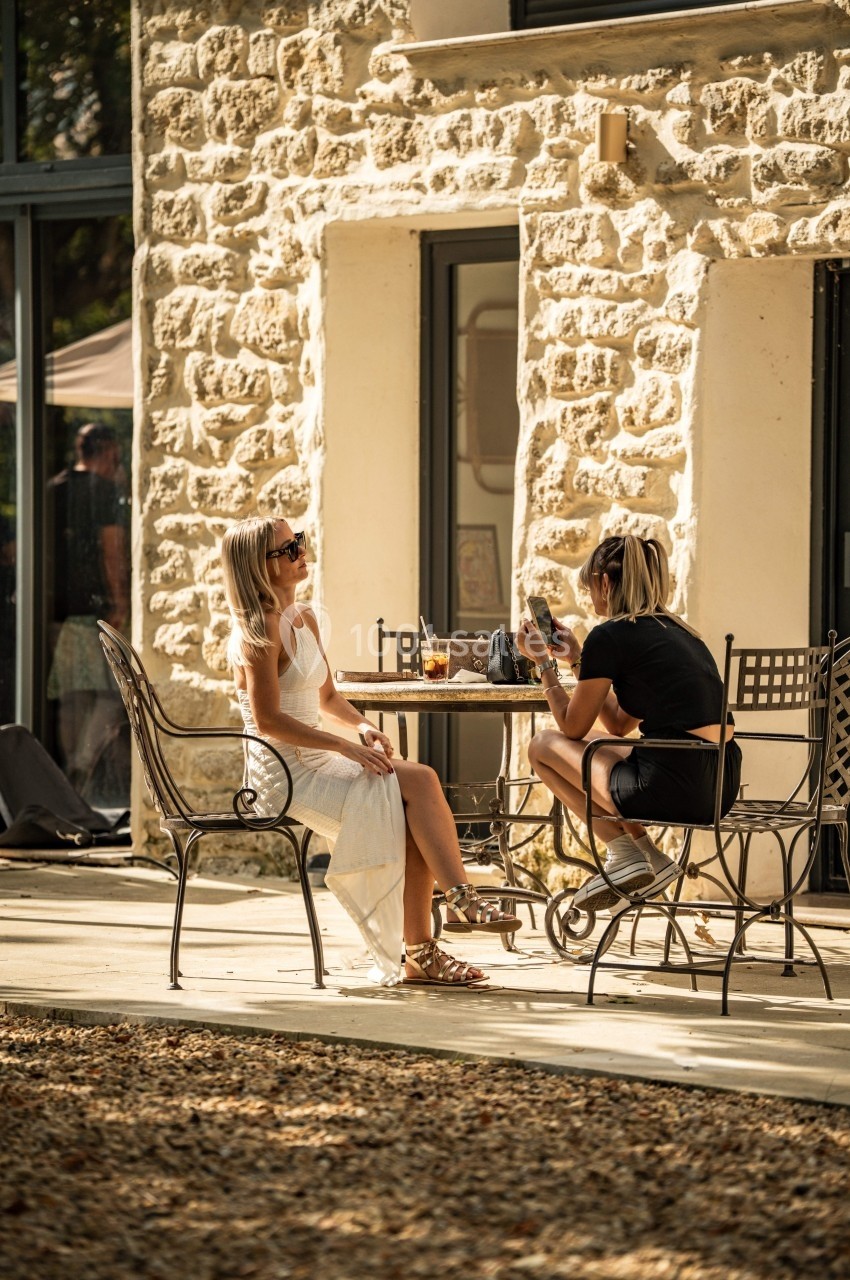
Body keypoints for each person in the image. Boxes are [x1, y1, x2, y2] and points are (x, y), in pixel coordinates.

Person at [220, 515, 521, 989]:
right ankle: (447, 915)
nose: (301, 552)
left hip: (320, 757)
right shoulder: (258, 631)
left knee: (415, 789)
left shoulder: (305, 619)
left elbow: (327, 699)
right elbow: (267, 722)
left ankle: (436, 932)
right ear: (259, 566)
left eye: (298, 542)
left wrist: (363, 729)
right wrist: (344, 745)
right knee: (414, 787)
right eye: (288, 549)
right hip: (281, 774)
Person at [516, 534, 742, 925]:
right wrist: (577, 659)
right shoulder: (681, 632)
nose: (589, 598)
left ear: (605, 583)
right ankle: (646, 855)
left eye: (589, 588)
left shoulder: (612, 634)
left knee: (542, 746)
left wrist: (542, 665)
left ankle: (624, 852)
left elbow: (570, 725)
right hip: (720, 782)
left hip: (671, 783)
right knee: (597, 743)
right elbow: (619, 724)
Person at [46, 423, 129, 797]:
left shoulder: (53, 488)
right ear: (109, 450)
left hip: (54, 610)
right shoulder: (102, 490)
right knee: (111, 697)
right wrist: (120, 599)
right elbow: (110, 549)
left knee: (72, 698)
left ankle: (66, 780)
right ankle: (79, 769)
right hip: (94, 610)